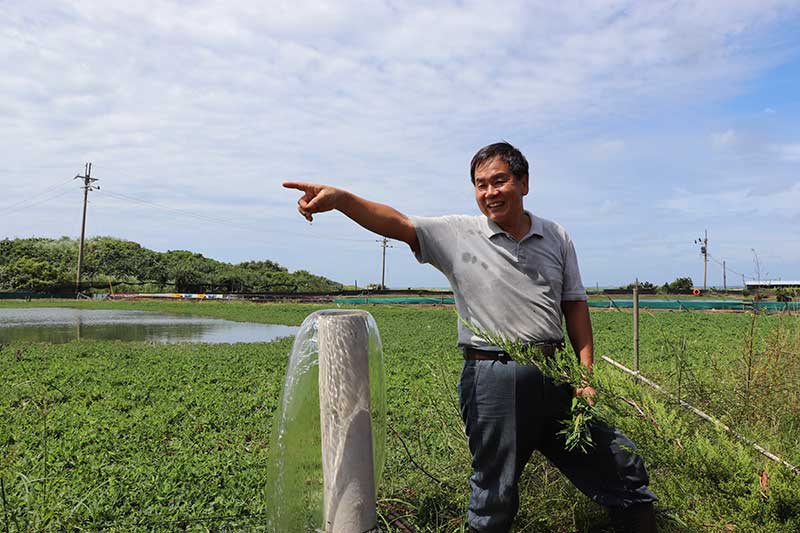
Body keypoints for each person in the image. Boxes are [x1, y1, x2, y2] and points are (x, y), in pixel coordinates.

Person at [283, 142, 657, 532]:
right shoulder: (459, 233)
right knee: (494, 498)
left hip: (555, 376)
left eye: (499, 181)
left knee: (621, 465)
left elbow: (575, 305)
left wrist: (584, 376)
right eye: (481, 185)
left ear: (524, 183)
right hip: (493, 378)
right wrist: (342, 200)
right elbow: (396, 222)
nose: (489, 193)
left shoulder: (556, 236)